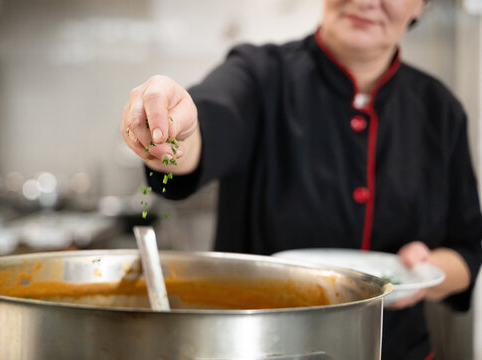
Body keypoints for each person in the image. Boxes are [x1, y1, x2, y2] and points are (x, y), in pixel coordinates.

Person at [121, 0, 482, 359]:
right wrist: (173, 132)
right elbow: (207, 125)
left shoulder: (441, 110)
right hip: (261, 348)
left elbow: (467, 251)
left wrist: (426, 270)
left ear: (421, 6)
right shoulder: (258, 74)